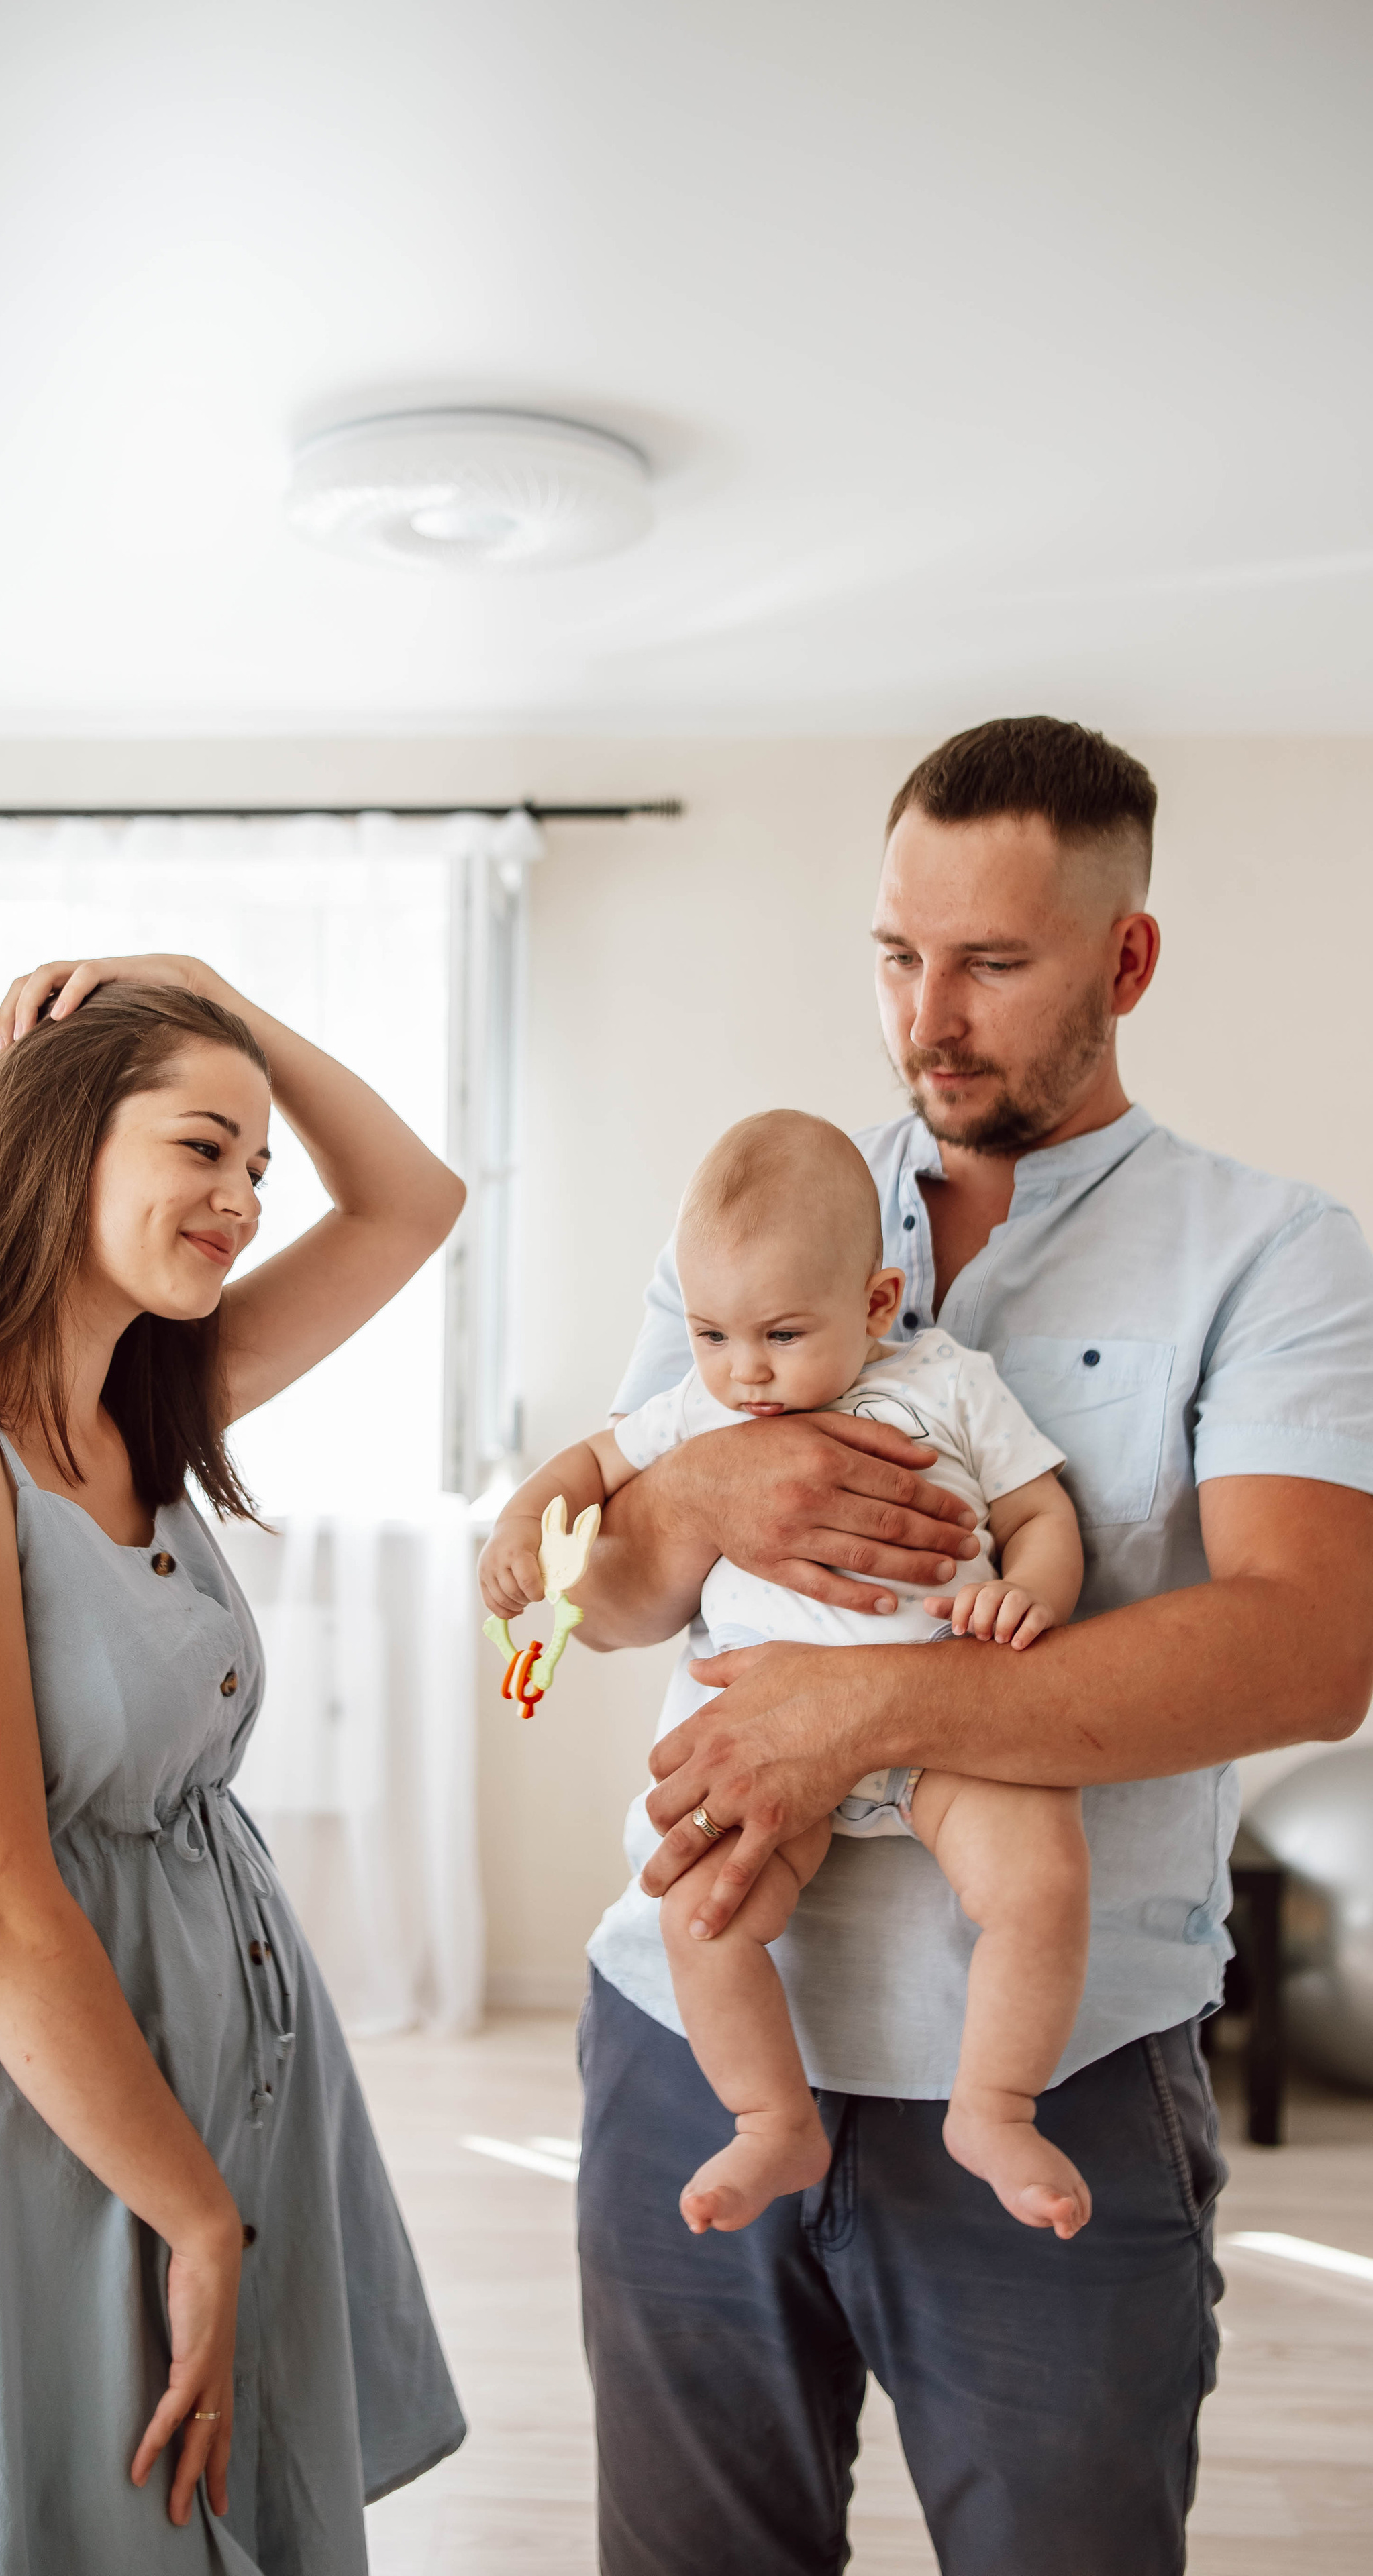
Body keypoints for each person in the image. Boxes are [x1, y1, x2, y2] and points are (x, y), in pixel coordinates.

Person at [567, 718, 1373, 2576]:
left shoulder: (1272, 1255)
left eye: (992, 964)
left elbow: (1310, 1651)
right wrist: (696, 1499)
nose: (925, 1019)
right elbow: (590, 1599)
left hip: (1052, 2072)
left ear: (1126, 961)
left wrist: (861, 1710)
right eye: (895, 956)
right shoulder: (758, 1215)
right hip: (691, 2045)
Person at [0, 955, 467, 2576]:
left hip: (229, 2055)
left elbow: (409, 1204)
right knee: (103, 2515)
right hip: (59, 2094)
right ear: (59, 1144)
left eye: (257, 1165)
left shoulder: (142, 1404)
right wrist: (190, 2211)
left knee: (234, 2510)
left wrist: (214, 998)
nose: (242, 1197)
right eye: (201, 1147)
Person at [481, 1106, 1089, 2241]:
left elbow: (1038, 1513)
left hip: (950, 1729)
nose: (745, 1371)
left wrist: (1032, 1593)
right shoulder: (699, 1407)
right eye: (711, 1334)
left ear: (875, 1302)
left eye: (782, 1334)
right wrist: (523, 1524)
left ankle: (996, 2108)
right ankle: (770, 2120)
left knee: (1042, 1883)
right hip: (759, 1742)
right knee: (702, 1913)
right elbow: (590, 1465)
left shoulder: (948, 1383)